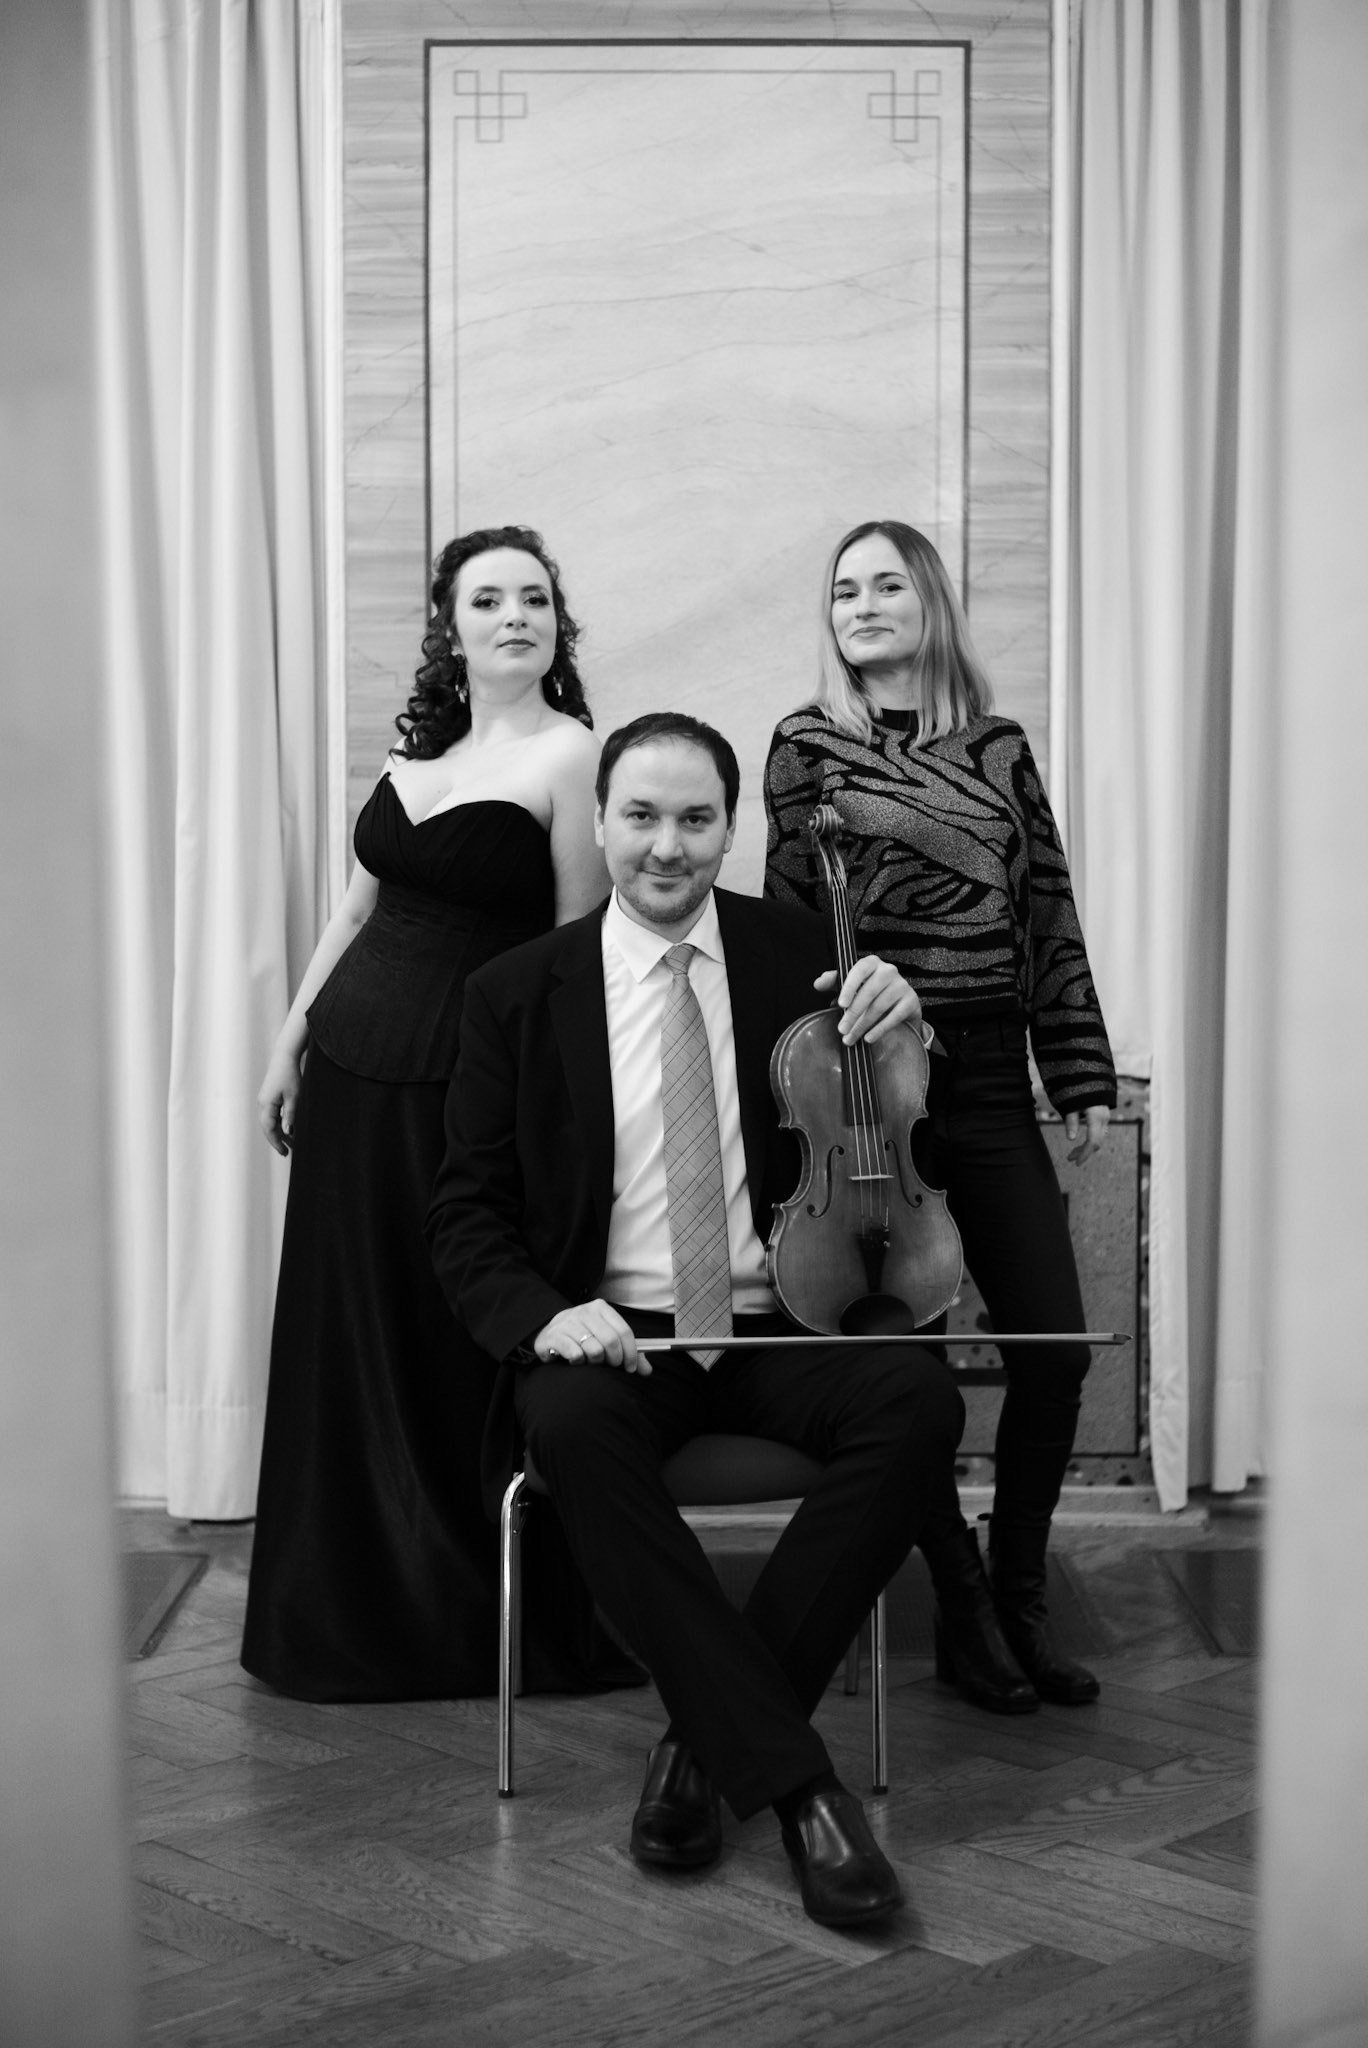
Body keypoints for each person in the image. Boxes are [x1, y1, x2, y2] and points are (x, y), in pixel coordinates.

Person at [426, 712, 966, 1930]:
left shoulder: (807, 959)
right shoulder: (515, 991)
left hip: (783, 1325)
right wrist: (545, 1315)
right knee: (570, 1425)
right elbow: (463, 1212)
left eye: (695, 818)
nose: (666, 846)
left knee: (918, 1400)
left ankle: (698, 1747)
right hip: (614, 1331)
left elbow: (924, 1121)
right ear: (600, 820)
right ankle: (807, 1791)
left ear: (731, 827)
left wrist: (909, 1019)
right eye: (641, 816)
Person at [241, 525, 639, 1702]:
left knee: (434, 1338)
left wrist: (541, 1119)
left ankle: (450, 1612)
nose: (515, 616)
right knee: (345, 1332)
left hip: (457, 1092)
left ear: (557, 625)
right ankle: (334, 1604)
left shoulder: (571, 753)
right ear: (450, 626)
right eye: (489, 599)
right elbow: (354, 913)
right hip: (347, 1078)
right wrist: (289, 1037)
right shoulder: (416, 750)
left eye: (535, 599)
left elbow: (573, 951)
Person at [763, 520, 1117, 1715]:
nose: (862, 604)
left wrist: (1078, 1067)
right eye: (843, 589)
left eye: (886, 584)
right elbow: (789, 931)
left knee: (1054, 1350)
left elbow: (1047, 909)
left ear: (931, 602)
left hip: (991, 1077)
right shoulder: (806, 746)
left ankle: (1021, 1594)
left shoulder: (1000, 747)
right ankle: (963, 1603)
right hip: (869, 1094)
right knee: (903, 1375)